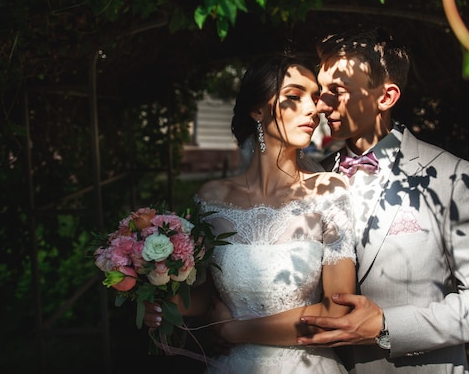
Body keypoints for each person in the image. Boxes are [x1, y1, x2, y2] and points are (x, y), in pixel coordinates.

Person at [295, 27, 469, 374]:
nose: (321, 105)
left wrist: (387, 326)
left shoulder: (450, 177)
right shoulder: (309, 178)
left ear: (385, 97)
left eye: (336, 92)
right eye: (321, 91)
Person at [143, 54, 357, 374]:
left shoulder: (328, 192)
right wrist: (163, 305)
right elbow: (205, 294)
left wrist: (237, 331)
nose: (313, 109)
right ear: (258, 110)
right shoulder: (212, 198)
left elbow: (337, 311)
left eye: (313, 98)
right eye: (294, 98)